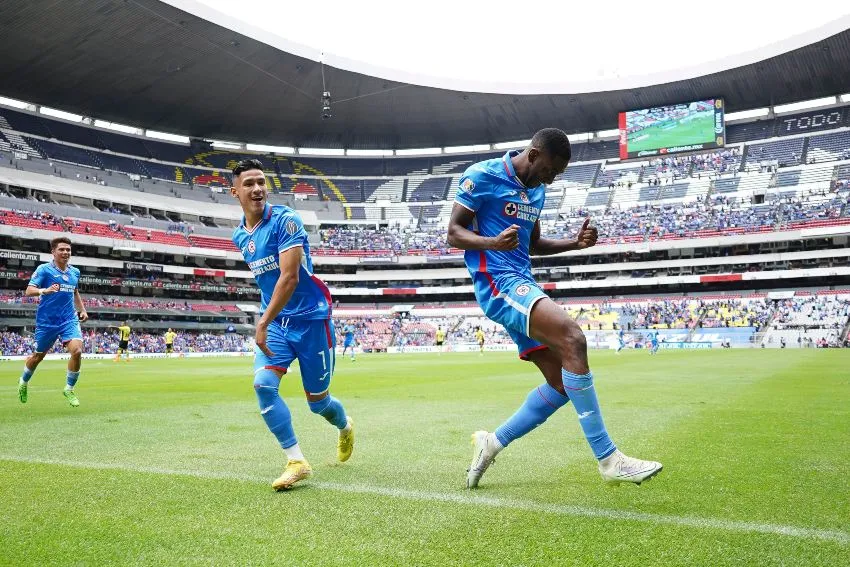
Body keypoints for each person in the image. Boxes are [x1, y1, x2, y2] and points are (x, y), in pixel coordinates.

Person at [447, 128, 662, 488]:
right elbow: (453, 233)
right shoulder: (482, 175)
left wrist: (574, 244)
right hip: (497, 282)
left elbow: (532, 244)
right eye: (550, 170)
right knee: (573, 339)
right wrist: (491, 243)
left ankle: (491, 443)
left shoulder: (537, 190)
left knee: (561, 384)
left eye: (558, 173)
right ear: (533, 155)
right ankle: (609, 459)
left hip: (522, 282)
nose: (553, 178)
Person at [231, 158, 353, 491]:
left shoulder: (286, 220)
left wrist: (261, 321)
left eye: (261, 182)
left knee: (319, 403)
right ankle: (296, 461)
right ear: (235, 192)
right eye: (249, 184)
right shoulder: (240, 235)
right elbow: (267, 283)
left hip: (312, 321)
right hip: (279, 326)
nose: (257, 189)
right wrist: (269, 320)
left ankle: (345, 426)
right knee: (263, 385)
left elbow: (289, 276)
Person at [18, 236, 88, 407]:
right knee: (37, 357)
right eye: (61, 249)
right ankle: (23, 382)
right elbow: (29, 291)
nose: (65, 252)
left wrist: (82, 309)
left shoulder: (74, 272)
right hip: (46, 322)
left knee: (77, 351)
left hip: (68, 320)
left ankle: (69, 389)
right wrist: (44, 291)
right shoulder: (44, 270)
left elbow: (75, 291)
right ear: (53, 252)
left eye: (68, 250)